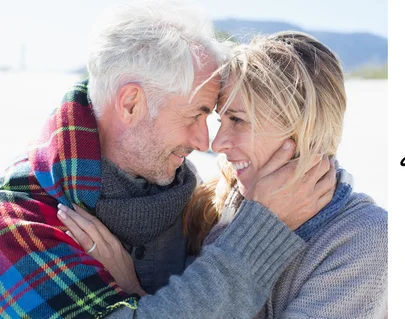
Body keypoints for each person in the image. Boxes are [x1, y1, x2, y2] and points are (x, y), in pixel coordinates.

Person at [0, 2, 334, 318]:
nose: (206, 142)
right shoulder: (20, 219)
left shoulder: (189, 197)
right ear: (131, 103)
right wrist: (261, 231)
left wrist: (134, 288)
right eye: (195, 115)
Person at [60, 31, 388, 318]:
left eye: (239, 121)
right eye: (221, 119)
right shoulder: (223, 203)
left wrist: (134, 291)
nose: (217, 143)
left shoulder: (363, 238)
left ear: (303, 128)